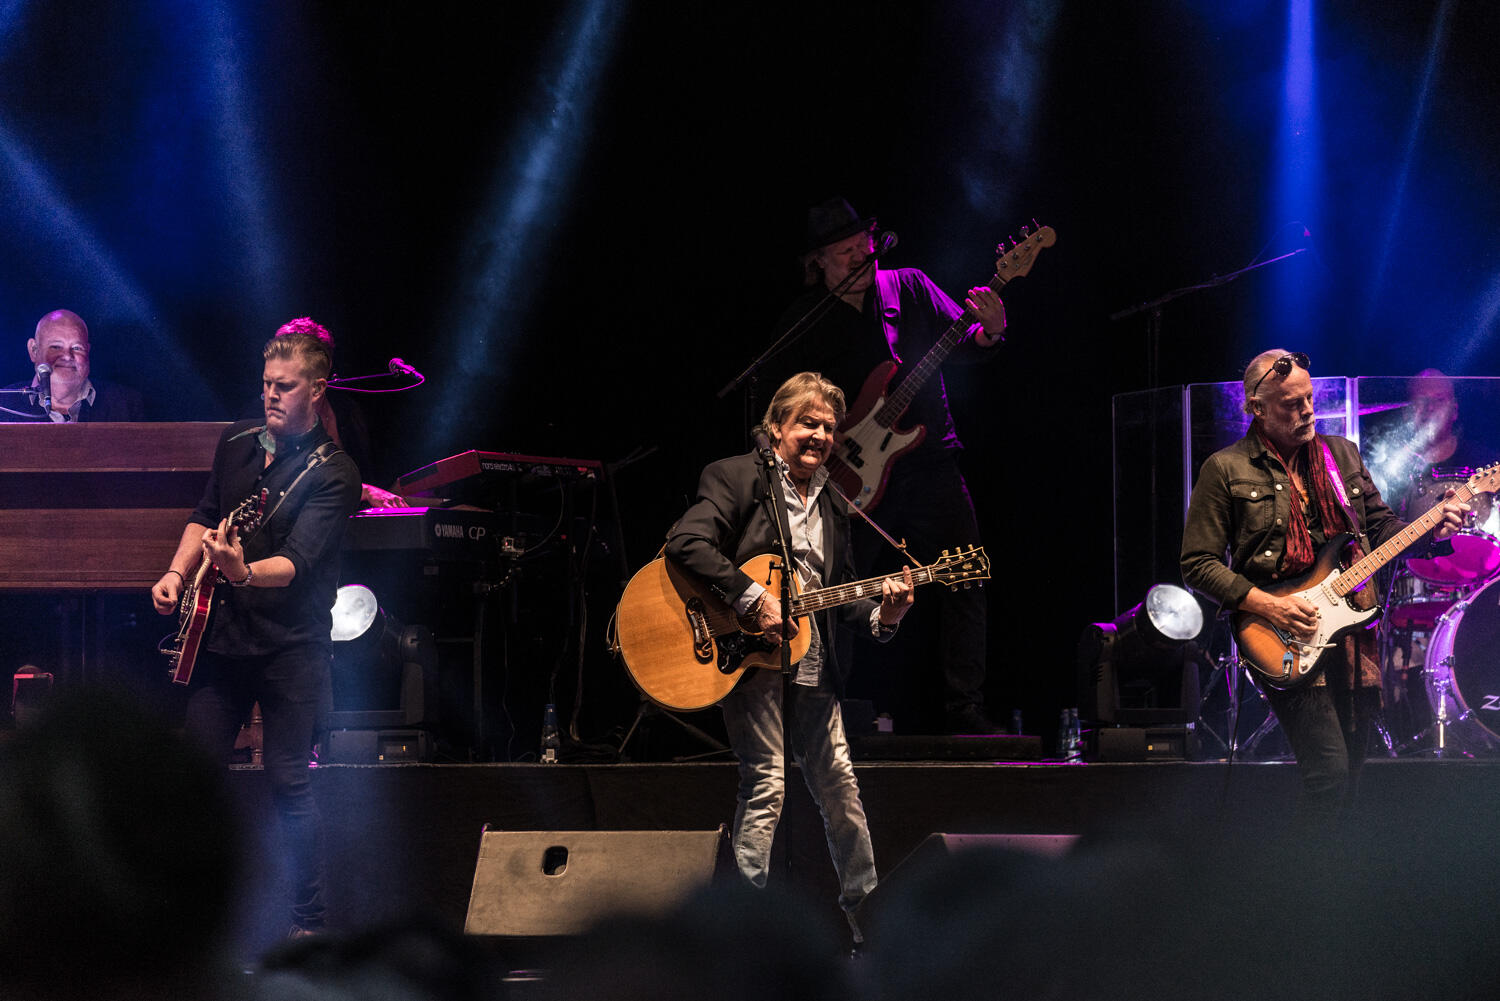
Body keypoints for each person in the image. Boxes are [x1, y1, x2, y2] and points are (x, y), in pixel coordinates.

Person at [664, 371, 915, 945]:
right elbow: (687, 544)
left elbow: (843, 597)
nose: (820, 435)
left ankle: (869, 931)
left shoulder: (836, 501)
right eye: (807, 423)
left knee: (841, 791)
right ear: (775, 427)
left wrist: (889, 615)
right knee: (767, 785)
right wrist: (752, 599)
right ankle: (745, 938)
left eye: (828, 427)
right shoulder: (734, 476)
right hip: (744, 654)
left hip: (814, 664)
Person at [1180, 350, 1466, 821]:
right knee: (1329, 772)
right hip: (1278, 633)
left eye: (1310, 398)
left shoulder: (1341, 454)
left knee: (1352, 771)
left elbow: (1381, 530)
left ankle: (1334, 874)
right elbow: (1198, 563)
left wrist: (1431, 530)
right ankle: (1313, 883)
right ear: (1257, 408)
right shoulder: (1226, 469)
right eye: (1292, 404)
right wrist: (1270, 608)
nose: (1308, 410)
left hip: (1350, 629)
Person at [765, 197, 1006, 735]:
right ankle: (825, 709)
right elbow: (779, 403)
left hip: (929, 461)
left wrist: (989, 330)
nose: (858, 257)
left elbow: (963, 342)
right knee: (840, 589)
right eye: (843, 252)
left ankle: (964, 707)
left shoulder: (910, 287)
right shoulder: (803, 321)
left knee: (965, 573)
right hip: (849, 476)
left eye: (861, 246)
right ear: (818, 262)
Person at [151, 332, 362, 936]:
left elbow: (297, 563)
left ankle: (309, 923)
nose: (269, 395)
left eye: (284, 386)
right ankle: (185, 921)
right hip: (223, 637)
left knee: (288, 778)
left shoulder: (335, 473)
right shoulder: (237, 440)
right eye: (266, 383)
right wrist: (177, 571)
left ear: (317, 391)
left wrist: (241, 570)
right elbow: (203, 512)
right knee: (193, 776)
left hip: (291, 644)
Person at [260, 317, 404, 508]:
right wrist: (363, 490)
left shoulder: (345, 409)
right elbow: (282, 484)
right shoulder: (266, 413)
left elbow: (371, 473)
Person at [1, 308, 145, 421]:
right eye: (56, 347)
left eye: (77, 348)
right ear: (34, 350)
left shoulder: (125, 404)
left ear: (87, 352)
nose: (67, 356)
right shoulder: (4, 406)